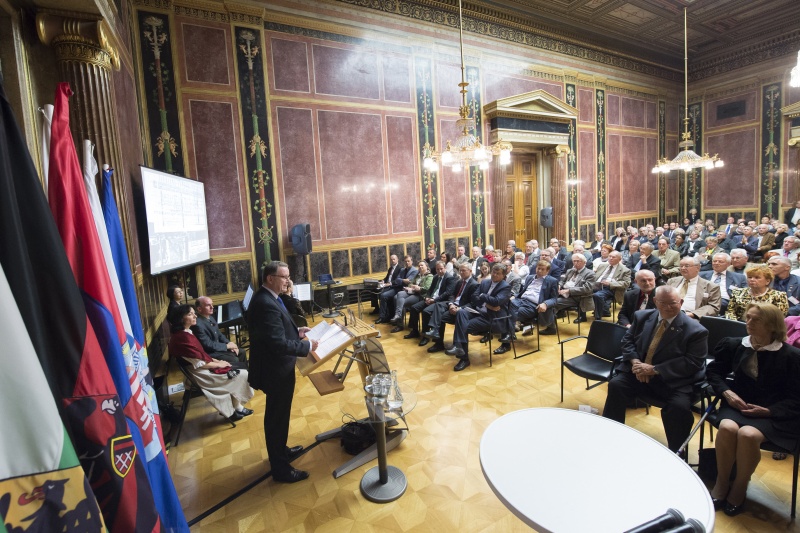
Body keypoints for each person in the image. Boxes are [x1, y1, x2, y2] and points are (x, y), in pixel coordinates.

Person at [707, 303, 800, 516]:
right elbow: (714, 373)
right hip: (738, 402)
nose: (748, 323)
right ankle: (722, 482)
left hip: (775, 410)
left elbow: (796, 397)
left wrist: (769, 411)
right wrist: (728, 394)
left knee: (748, 434)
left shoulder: (792, 357)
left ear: (772, 325)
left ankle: (739, 486)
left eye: (755, 320)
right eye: (747, 317)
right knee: (728, 427)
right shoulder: (734, 344)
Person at [602, 285, 707, 452]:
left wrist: (654, 369)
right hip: (639, 370)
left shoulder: (696, 331)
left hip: (672, 380)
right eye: (662, 303)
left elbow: (693, 362)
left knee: (679, 408)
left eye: (672, 303)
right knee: (616, 385)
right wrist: (636, 363)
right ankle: (611, 434)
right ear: (655, 301)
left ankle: (677, 452)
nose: (667, 307)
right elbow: (627, 342)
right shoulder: (642, 316)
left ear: (680, 302)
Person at [247, 261, 319, 483]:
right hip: (275, 370)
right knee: (277, 418)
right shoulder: (265, 302)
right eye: (284, 277)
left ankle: (280, 451)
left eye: (287, 276)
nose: (288, 281)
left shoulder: (269, 297)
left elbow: (277, 329)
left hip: (276, 368)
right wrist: (306, 346)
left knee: (278, 416)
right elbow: (276, 343)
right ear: (270, 278)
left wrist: (297, 331)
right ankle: (280, 469)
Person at [169, 305, 254, 421]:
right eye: (190, 314)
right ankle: (236, 408)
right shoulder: (183, 338)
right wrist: (219, 364)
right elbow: (199, 363)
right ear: (181, 318)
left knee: (240, 368)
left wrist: (217, 361)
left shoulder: (185, 332)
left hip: (201, 367)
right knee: (242, 374)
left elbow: (200, 354)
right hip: (201, 374)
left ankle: (236, 407)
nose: (195, 316)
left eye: (194, 313)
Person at [445, 263, 511, 371]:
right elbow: (473, 297)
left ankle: (463, 357)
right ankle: (459, 348)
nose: (494, 275)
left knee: (463, 327)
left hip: (491, 318)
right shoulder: (485, 282)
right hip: (478, 311)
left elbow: (496, 301)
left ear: (503, 275)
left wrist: (482, 296)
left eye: (498, 273)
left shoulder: (505, 287)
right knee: (461, 312)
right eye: (494, 272)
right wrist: (487, 303)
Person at [422, 263, 478, 352]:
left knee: (440, 315)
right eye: (460, 271)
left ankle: (453, 345)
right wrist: (451, 304)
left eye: (464, 271)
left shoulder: (474, 284)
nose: (461, 272)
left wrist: (459, 308)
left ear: (470, 271)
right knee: (438, 306)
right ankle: (437, 338)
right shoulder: (459, 282)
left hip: (462, 309)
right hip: (453, 304)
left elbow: (473, 303)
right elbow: (452, 295)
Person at [192, 296, 247, 364]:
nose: (212, 307)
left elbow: (219, 334)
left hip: (217, 348)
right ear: (199, 309)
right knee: (234, 359)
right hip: (209, 353)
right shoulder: (197, 325)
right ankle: (234, 373)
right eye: (208, 305)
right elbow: (208, 345)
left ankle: (245, 373)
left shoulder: (211, 318)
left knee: (241, 352)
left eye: (212, 304)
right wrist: (227, 346)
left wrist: (229, 343)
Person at [389, 261, 433, 332]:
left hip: (420, 295)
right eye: (419, 266)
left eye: (422, 265)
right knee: (399, 294)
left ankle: (399, 324)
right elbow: (410, 283)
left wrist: (418, 287)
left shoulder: (429, 276)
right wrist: (412, 287)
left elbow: (426, 288)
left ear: (426, 267)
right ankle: (398, 314)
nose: (420, 267)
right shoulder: (418, 274)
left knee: (401, 302)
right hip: (412, 291)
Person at [555, 254, 596, 323]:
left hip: (578, 297)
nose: (576, 263)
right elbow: (562, 281)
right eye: (574, 261)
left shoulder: (590, 273)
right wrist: (559, 285)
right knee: (546, 298)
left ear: (584, 262)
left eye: (578, 261)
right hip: (564, 293)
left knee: (553, 303)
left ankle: (550, 325)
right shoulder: (570, 271)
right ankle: (550, 318)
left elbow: (586, 289)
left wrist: (568, 291)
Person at [591, 250, 631, 320]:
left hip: (610, 288)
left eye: (613, 257)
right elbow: (595, 277)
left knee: (597, 295)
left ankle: (598, 319)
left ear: (619, 259)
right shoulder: (602, 265)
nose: (611, 258)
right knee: (582, 291)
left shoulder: (625, 270)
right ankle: (582, 316)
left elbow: (626, 283)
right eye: (610, 256)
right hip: (597, 284)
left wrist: (610, 283)